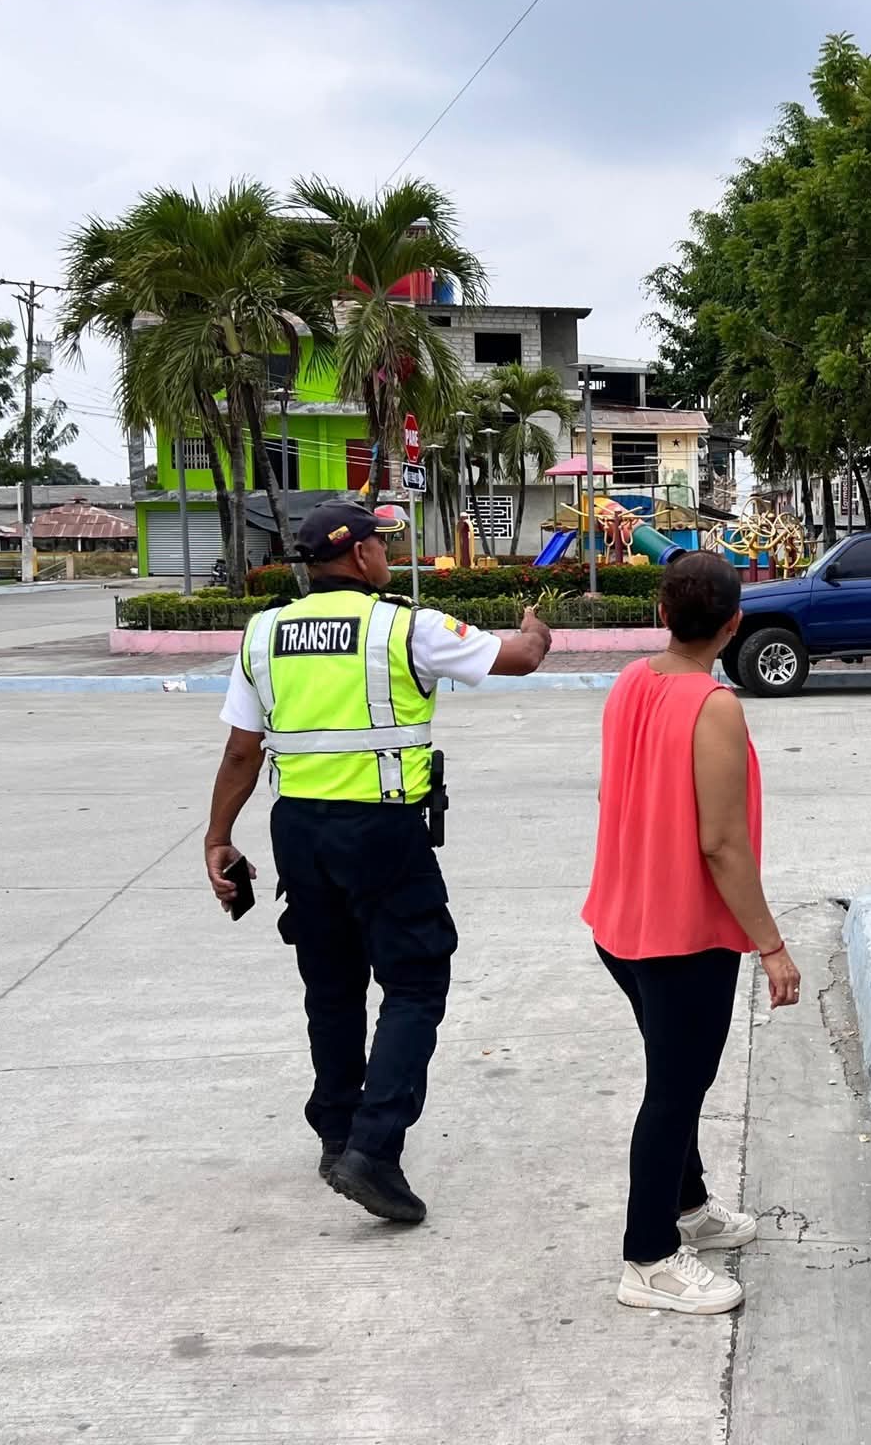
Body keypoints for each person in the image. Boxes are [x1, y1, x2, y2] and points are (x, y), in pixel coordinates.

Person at [204, 502, 552, 1224]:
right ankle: (373, 1148)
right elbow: (518, 658)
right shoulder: (402, 626)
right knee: (416, 981)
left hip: (299, 832)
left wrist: (218, 837)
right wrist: (535, 628)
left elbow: (242, 751)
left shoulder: (263, 633)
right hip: (382, 831)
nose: (388, 555)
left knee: (331, 988)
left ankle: (336, 1135)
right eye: (381, 545)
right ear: (359, 555)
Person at [584, 551, 802, 1316]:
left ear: (662, 614)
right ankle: (648, 1258)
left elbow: (616, 790)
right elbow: (722, 844)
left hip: (622, 920)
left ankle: (689, 1206)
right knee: (675, 1092)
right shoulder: (714, 706)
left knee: (676, 1074)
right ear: (734, 623)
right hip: (681, 935)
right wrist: (771, 944)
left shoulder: (631, 680)